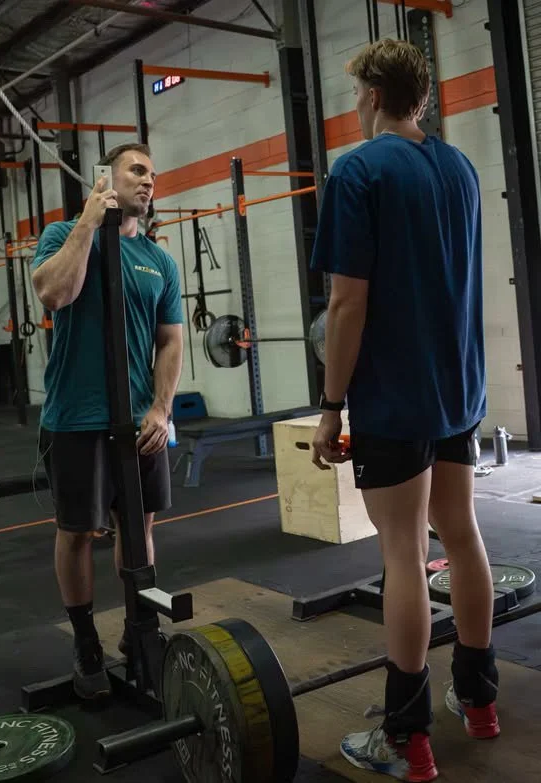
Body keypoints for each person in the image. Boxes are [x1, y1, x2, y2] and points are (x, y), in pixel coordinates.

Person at [310, 39, 499, 782]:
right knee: (462, 533)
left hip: (393, 393)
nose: (353, 103)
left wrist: (330, 405)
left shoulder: (358, 169)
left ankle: (405, 736)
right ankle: (479, 701)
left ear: (374, 94)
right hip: (457, 389)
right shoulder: (459, 167)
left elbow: (347, 301)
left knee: (402, 557)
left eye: (356, 91)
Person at [31, 143, 184, 700]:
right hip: (76, 417)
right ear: (106, 179)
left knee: (139, 527)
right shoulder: (60, 235)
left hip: (140, 419)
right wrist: (89, 222)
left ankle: (139, 628)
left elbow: (171, 342)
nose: (149, 182)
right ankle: (85, 640)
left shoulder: (159, 261)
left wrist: (163, 409)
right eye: (137, 171)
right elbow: (54, 292)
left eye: (153, 174)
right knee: (75, 532)